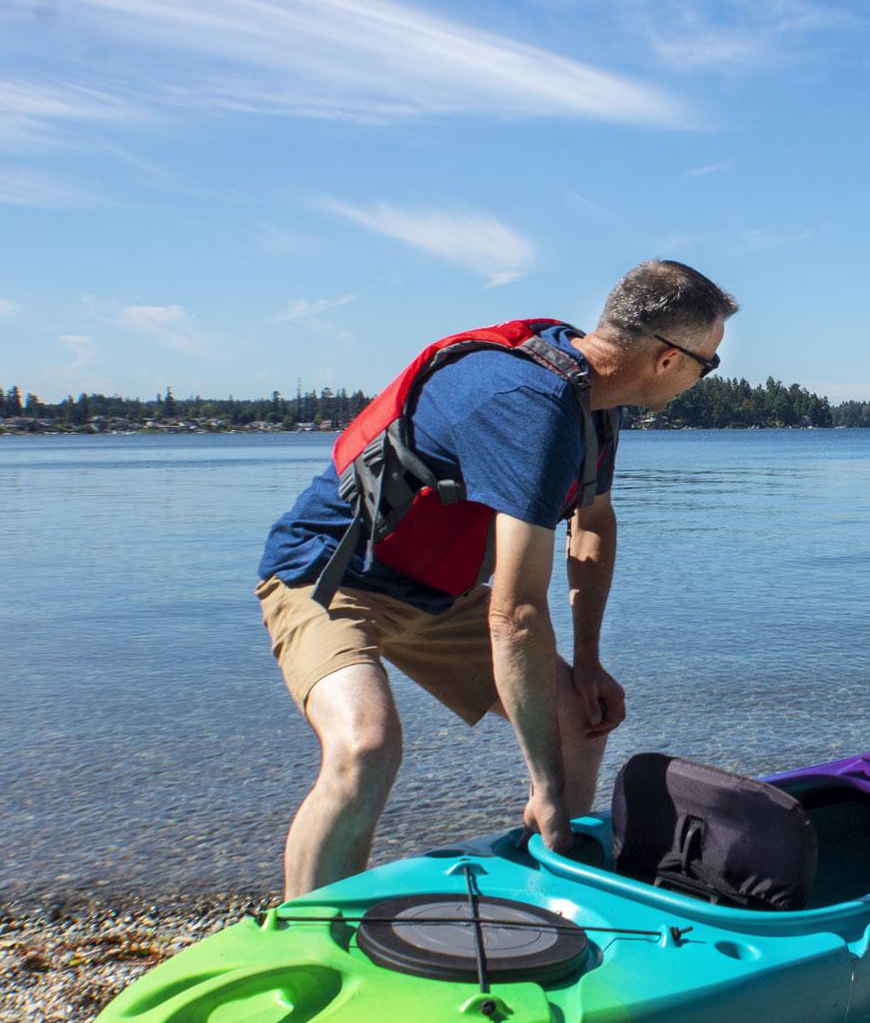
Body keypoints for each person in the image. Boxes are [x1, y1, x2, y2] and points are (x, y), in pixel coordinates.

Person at [254, 259, 737, 897]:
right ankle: (302, 938)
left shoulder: (592, 395)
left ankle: (552, 886)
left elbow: (591, 520)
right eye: (710, 363)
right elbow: (513, 615)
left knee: (581, 718)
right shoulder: (528, 407)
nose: (704, 379)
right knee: (366, 745)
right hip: (330, 576)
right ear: (667, 360)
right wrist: (542, 783)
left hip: (432, 593)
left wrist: (588, 660)